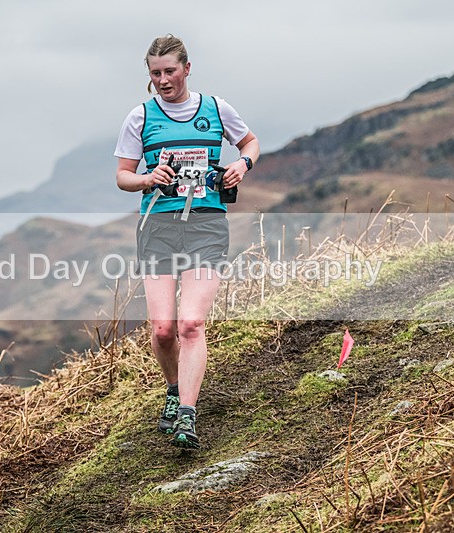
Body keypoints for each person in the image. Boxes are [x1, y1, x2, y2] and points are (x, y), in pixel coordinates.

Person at [114, 34, 259, 448]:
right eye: (155, 73)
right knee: (163, 329)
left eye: (170, 71)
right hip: (158, 227)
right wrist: (147, 178)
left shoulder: (215, 108)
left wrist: (242, 164)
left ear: (187, 69)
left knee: (191, 323)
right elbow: (123, 176)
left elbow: (250, 142)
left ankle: (187, 416)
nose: (163, 80)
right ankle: (174, 389)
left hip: (206, 225)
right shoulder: (140, 117)